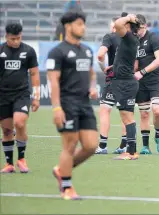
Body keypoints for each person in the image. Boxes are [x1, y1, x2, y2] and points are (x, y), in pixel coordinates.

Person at [47, 11, 98, 200]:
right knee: (69, 145)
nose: (83, 27)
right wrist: (56, 108)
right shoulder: (57, 52)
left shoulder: (87, 50)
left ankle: (61, 170)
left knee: (92, 146)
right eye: (79, 24)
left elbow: (92, 74)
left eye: (84, 24)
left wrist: (92, 88)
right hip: (67, 104)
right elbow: (53, 82)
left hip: (85, 104)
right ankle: (67, 188)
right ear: (68, 26)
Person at [0, 22, 40, 173]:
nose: (16, 41)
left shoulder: (29, 51)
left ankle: (21, 159)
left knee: (20, 123)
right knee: (6, 130)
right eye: (12, 39)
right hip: (3, 95)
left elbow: (34, 73)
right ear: (6, 37)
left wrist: (36, 97)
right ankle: (9, 163)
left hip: (21, 94)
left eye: (18, 38)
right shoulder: (1, 51)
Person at [133, 14, 159, 155]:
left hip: (155, 81)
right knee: (144, 114)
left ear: (145, 26)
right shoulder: (133, 40)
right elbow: (133, 63)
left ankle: (158, 136)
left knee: (157, 111)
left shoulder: (154, 38)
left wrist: (143, 71)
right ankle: (145, 146)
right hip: (141, 83)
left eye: (138, 28)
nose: (136, 31)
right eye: (134, 29)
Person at [111, 13, 141, 160]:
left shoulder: (129, 38)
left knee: (128, 118)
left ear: (128, 26)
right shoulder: (130, 39)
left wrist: (128, 17)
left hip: (126, 83)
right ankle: (131, 151)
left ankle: (131, 152)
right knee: (126, 117)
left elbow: (117, 24)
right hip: (122, 82)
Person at [95, 15, 127, 155]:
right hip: (129, 79)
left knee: (105, 110)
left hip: (114, 78)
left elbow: (100, 55)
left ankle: (102, 146)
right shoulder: (132, 39)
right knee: (125, 113)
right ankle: (124, 145)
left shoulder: (110, 37)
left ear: (114, 26)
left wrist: (104, 67)